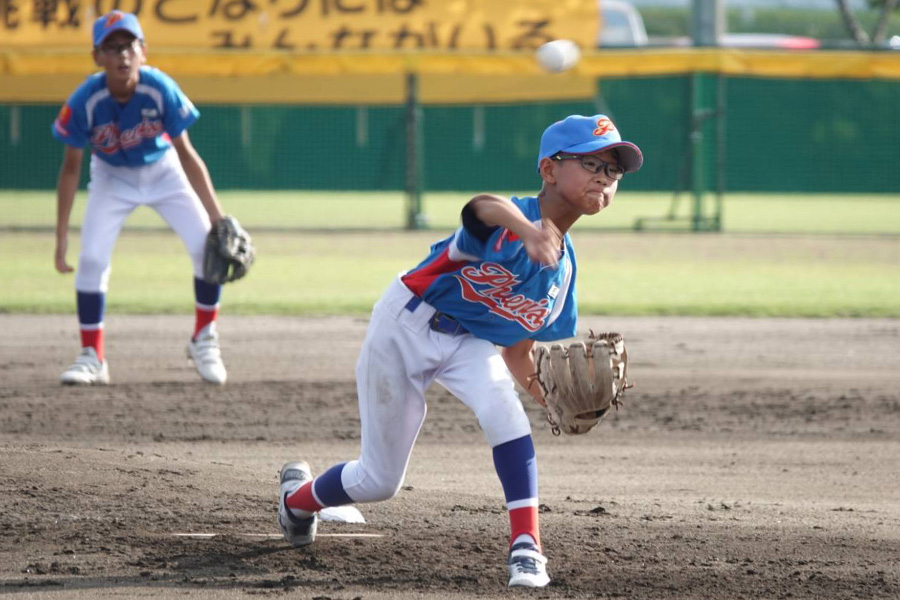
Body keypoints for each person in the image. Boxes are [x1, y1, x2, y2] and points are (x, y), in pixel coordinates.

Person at [277, 114, 643, 588]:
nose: (604, 177)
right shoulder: (508, 222)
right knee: (379, 481)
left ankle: (527, 547)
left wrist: (552, 401)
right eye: (590, 163)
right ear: (549, 169)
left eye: (613, 170)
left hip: (469, 342)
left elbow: (517, 352)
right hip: (406, 324)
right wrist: (528, 230)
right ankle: (297, 501)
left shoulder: (562, 272)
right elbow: (480, 207)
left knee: (505, 414)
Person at [52, 11, 229, 385]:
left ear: (143, 51)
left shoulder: (159, 87)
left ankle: (204, 338)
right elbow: (70, 169)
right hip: (111, 176)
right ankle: (92, 356)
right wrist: (61, 235)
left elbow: (187, 155)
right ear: (97, 57)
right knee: (92, 259)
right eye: (112, 47)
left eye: (129, 46)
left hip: (164, 171)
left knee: (206, 247)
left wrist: (218, 217)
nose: (123, 55)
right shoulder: (85, 99)